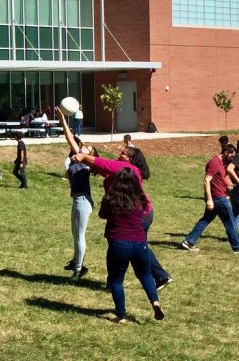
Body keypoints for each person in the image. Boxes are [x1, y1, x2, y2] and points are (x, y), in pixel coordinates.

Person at [73, 145, 172, 290]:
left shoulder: (129, 169)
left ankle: (114, 283)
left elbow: (104, 164)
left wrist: (84, 157)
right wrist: (81, 155)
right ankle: (161, 277)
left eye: (123, 153)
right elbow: (101, 165)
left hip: (139, 215)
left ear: (130, 159)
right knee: (139, 247)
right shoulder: (122, 169)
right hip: (134, 213)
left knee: (125, 246)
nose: (120, 154)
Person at [99, 168, 165, 324]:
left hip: (118, 244)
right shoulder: (140, 199)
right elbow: (144, 213)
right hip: (139, 243)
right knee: (145, 274)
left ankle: (121, 315)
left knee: (116, 280)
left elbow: (102, 214)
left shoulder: (110, 198)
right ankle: (154, 301)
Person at [180, 144, 239, 254]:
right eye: (231, 156)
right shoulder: (214, 163)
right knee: (231, 223)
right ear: (226, 153)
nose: (232, 159)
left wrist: (227, 184)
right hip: (218, 198)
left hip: (219, 197)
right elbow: (207, 181)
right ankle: (238, 247)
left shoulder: (221, 163)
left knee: (205, 220)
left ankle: (188, 242)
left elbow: (222, 176)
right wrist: (209, 199)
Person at [56, 109, 94, 281]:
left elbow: (70, 137)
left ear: (90, 156)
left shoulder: (86, 164)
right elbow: (72, 141)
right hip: (78, 200)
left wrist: (63, 119)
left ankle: (78, 270)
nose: (83, 146)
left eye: (87, 148)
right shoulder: (77, 160)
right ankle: (76, 261)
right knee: (76, 235)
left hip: (82, 201)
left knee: (79, 236)